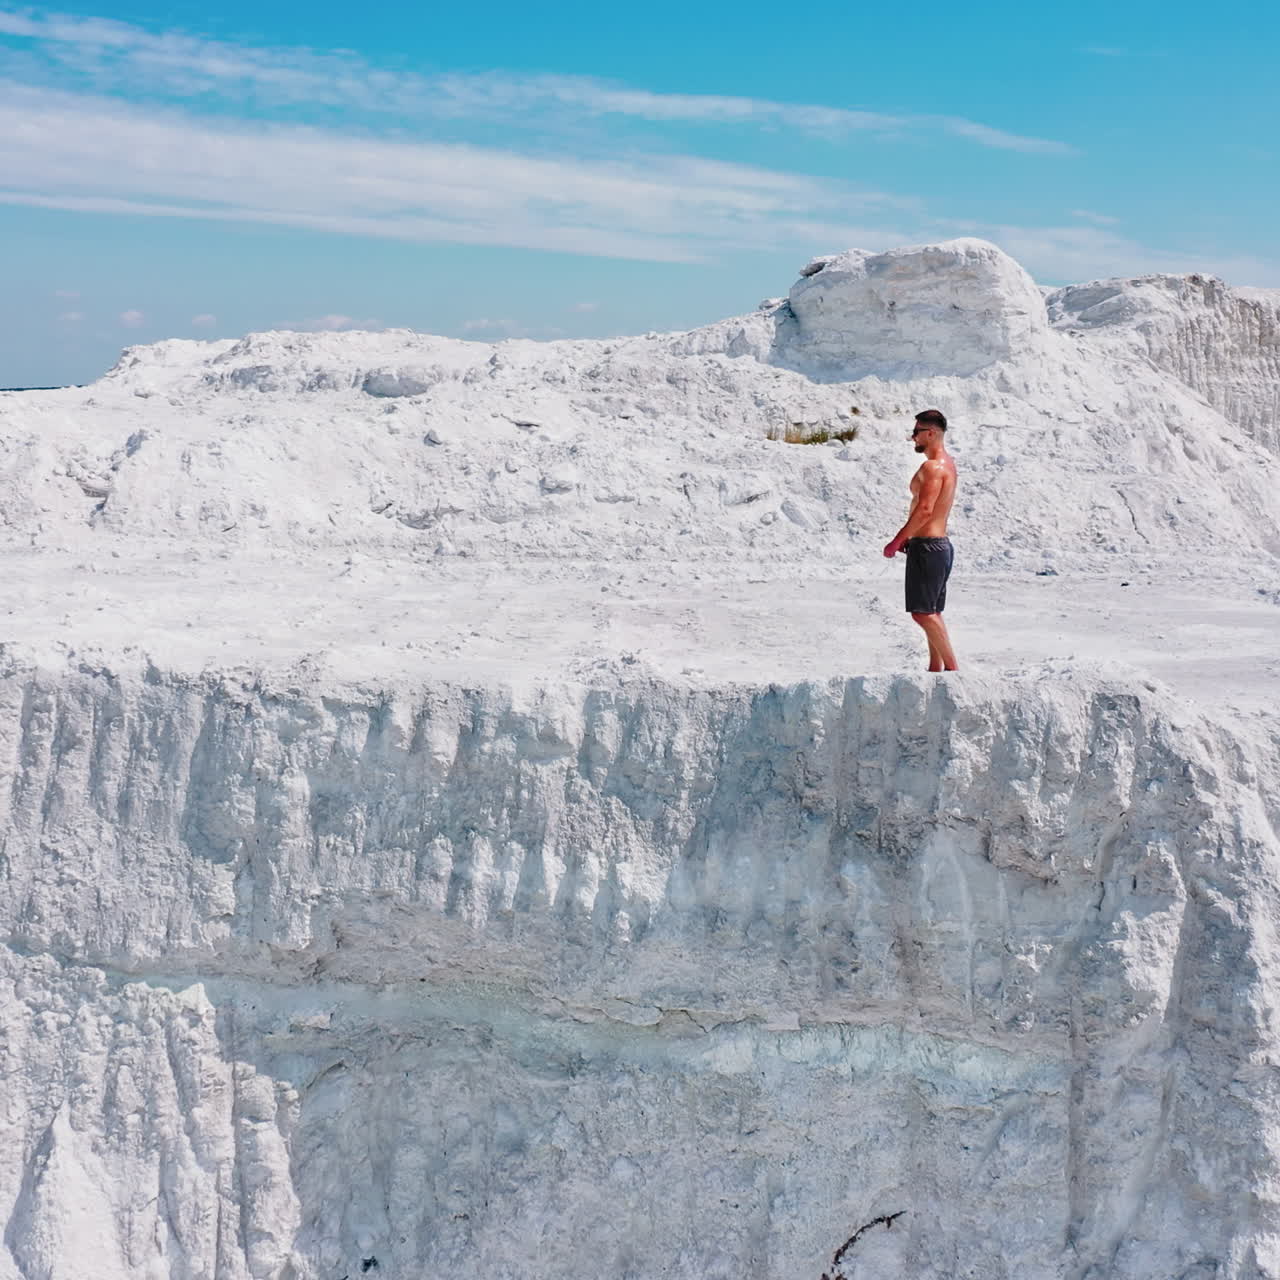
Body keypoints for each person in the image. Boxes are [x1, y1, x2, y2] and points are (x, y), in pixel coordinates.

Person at [882, 409, 959, 672]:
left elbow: (925, 509)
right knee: (932, 611)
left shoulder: (933, 467)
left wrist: (896, 541)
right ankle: (935, 669)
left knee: (922, 613)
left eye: (916, 433)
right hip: (936, 546)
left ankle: (952, 671)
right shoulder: (947, 463)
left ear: (931, 433)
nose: (912, 438)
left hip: (928, 548)